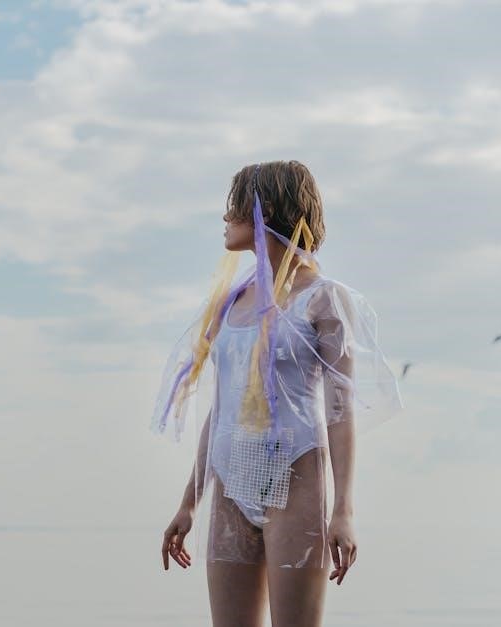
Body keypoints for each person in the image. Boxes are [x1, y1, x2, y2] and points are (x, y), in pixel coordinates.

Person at [151, 160, 403, 627]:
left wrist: (344, 511)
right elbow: (222, 410)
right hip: (229, 484)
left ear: (265, 210)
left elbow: (339, 411)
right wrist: (188, 502)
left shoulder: (324, 298)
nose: (225, 217)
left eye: (235, 206)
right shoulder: (230, 303)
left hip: (297, 477)